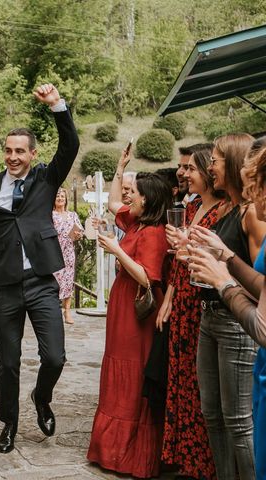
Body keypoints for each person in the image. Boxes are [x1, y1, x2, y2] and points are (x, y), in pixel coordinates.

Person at [0, 83, 80, 454]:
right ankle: (9, 425)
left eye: (20, 151)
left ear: (32, 154)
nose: (13, 157)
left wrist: (57, 107)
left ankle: (42, 397)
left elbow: (70, 147)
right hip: (4, 287)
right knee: (8, 362)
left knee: (54, 356)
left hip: (41, 282)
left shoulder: (45, 180)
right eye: (8, 150)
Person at [87, 149, 172, 478]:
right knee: (117, 367)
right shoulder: (137, 222)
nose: (127, 196)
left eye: (133, 194)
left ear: (146, 201)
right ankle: (109, 450)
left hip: (140, 313)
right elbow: (111, 205)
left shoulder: (154, 233)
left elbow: (148, 277)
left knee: (132, 372)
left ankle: (129, 455)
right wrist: (119, 167)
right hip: (122, 307)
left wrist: (116, 249)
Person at [188, 133, 266, 480]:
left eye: (215, 160)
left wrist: (223, 273)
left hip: (238, 323)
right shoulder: (229, 207)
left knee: (238, 421)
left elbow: (259, 285)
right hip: (211, 315)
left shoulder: (251, 214)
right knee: (213, 415)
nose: (210, 166)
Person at [156, 147, 221, 479]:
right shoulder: (191, 206)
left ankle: (204, 464)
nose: (183, 174)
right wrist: (168, 295)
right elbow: (181, 257)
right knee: (179, 378)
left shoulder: (224, 209)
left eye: (189, 168)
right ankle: (184, 460)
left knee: (199, 384)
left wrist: (186, 248)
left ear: (208, 172)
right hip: (181, 297)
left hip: (201, 303)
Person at [52, 187, 83, 325]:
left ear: (66, 199)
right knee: (54, 279)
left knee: (68, 280)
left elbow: (80, 232)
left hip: (69, 251)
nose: (60, 198)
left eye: (62, 196)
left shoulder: (73, 215)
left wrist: (78, 235)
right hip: (54, 251)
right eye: (57, 196)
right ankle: (53, 311)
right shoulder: (50, 214)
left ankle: (67, 311)